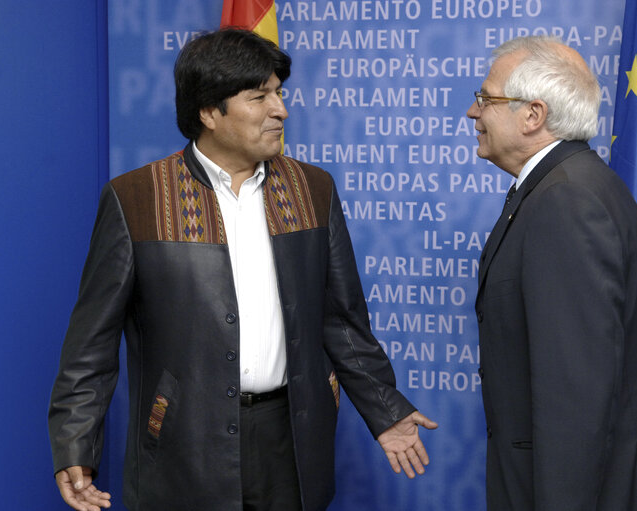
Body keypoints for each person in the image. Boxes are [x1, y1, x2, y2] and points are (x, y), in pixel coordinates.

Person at [49, 28, 436, 511]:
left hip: (292, 441)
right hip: (182, 448)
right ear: (210, 112)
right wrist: (75, 445)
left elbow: (342, 320)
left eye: (279, 93)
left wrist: (387, 411)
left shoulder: (312, 190)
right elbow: (92, 343)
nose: (281, 110)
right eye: (260, 97)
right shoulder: (136, 198)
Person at [467, 36, 637, 510]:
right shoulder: (567, 186)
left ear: (533, 114)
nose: (472, 112)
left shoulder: (566, 201)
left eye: (485, 98)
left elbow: (576, 394)